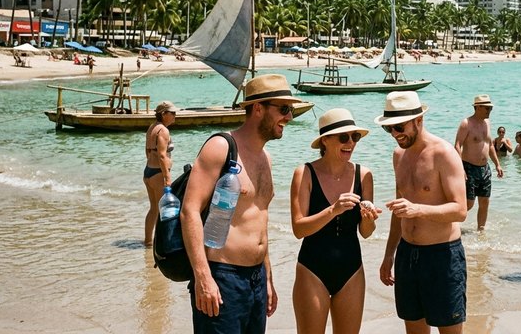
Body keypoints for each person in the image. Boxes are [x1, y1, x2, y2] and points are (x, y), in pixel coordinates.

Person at [182, 74, 300, 332]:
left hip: (256, 279)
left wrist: (267, 278)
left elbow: (260, 220)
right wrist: (203, 276)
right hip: (222, 277)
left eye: (290, 110)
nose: (289, 117)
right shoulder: (221, 147)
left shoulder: (266, 158)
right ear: (258, 109)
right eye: (283, 109)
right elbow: (189, 211)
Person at [376, 91, 468, 334]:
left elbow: (460, 210)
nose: (396, 134)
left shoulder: (444, 153)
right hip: (408, 255)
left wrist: (418, 209)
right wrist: (389, 254)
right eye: (389, 129)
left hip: (442, 256)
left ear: (419, 120)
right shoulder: (399, 156)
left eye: (399, 127)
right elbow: (399, 210)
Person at [290, 108, 381, 334]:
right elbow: (299, 229)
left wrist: (369, 219)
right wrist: (333, 210)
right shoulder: (305, 173)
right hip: (312, 269)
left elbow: (366, 232)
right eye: (344, 137)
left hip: (351, 270)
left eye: (355, 137)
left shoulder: (364, 175)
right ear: (325, 140)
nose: (350, 142)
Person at [454, 94, 504, 230]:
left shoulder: (487, 123)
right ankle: (450, 225)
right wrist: (460, 169)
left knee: (484, 202)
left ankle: (480, 232)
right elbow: (457, 145)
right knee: (468, 204)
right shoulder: (466, 123)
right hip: (469, 168)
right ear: (478, 107)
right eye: (487, 108)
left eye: (491, 109)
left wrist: (497, 164)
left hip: (485, 169)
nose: (489, 111)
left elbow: (490, 145)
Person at [143, 101, 177, 247]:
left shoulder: (152, 127)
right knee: (163, 210)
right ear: (163, 114)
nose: (175, 116)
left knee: (153, 208)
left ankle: (148, 241)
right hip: (158, 173)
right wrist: (167, 177)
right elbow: (162, 155)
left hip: (148, 171)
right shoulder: (163, 130)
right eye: (172, 113)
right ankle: (160, 244)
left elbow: (147, 151)